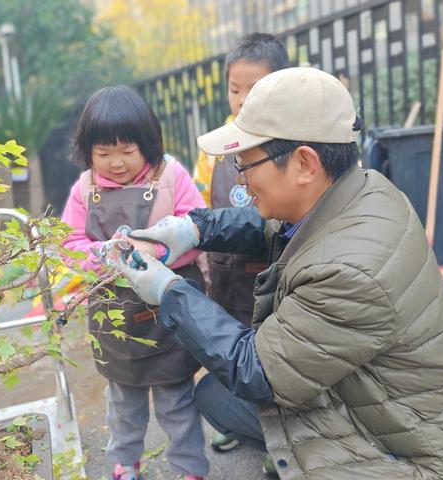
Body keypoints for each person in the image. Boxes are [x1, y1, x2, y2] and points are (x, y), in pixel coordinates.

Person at [115, 68, 443, 479]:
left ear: (304, 163)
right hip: (389, 406)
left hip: (419, 455)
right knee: (215, 396)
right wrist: (194, 228)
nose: (241, 176)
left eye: (246, 163)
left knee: (237, 387)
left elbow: (255, 370)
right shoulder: (360, 189)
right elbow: (268, 225)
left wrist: (169, 293)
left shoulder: (350, 272)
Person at [61, 85, 209, 480]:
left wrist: (159, 254)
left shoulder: (171, 176)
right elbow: (69, 243)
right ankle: (124, 464)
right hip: (115, 316)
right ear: (88, 150)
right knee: (123, 400)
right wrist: (102, 257)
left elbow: (199, 228)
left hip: (169, 310)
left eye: (127, 151)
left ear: (148, 143)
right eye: (104, 153)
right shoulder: (84, 188)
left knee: (177, 399)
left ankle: (189, 468)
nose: (117, 163)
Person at [192, 31, 289, 455]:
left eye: (256, 89)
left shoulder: (288, 141)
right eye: (235, 89)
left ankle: (277, 441)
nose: (243, 99)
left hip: (271, 270)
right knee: (225, 346)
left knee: (269, 358)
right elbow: (199, 198)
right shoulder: (215, 146)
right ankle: (236, 420)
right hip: (224, 273)